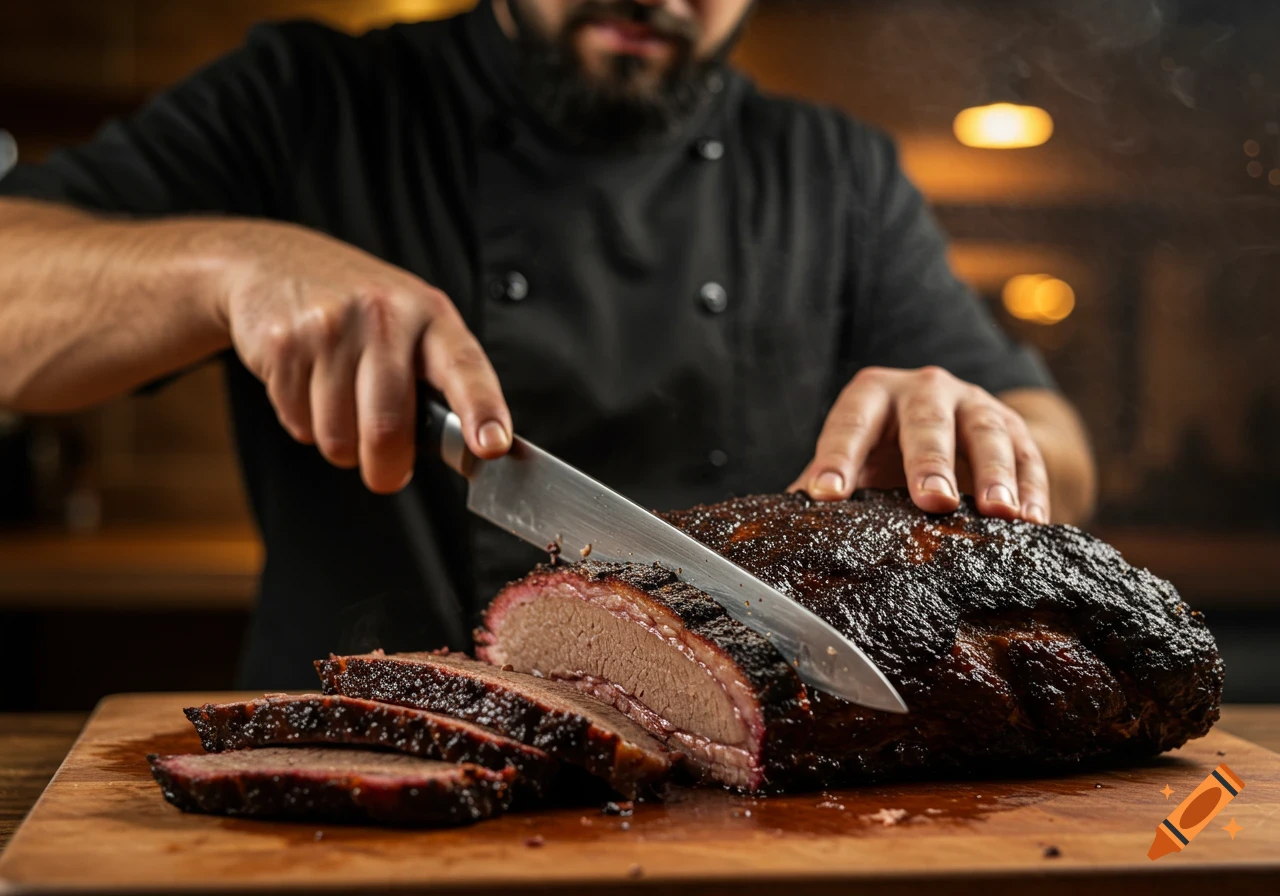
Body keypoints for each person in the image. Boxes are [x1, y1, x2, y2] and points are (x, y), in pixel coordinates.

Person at [0, 0, 1094, 688]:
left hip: (727, 802)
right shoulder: (305, 101)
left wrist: (979, 438)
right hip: (351, 799)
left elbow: (1060, 448)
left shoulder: (833, 171)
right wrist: (225, 266)